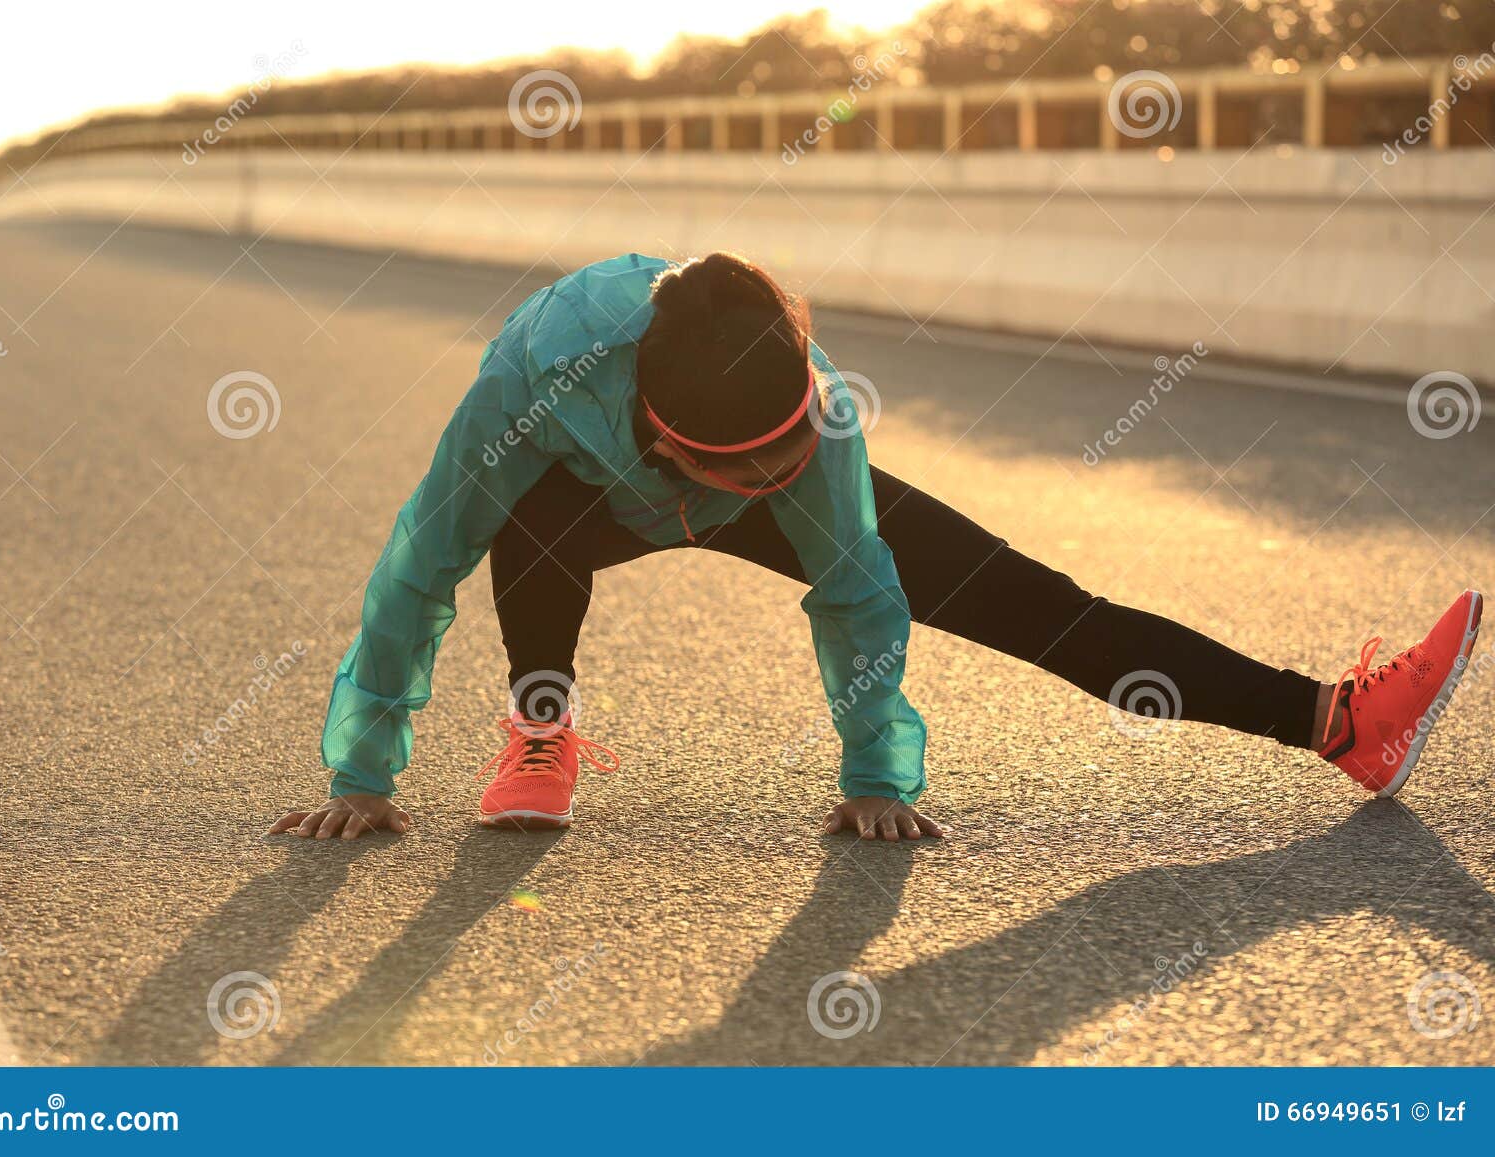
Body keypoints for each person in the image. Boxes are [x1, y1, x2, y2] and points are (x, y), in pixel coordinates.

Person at [271, 252, 1483, 843]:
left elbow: (858, 594)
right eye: (753, 466)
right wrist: (362, 771)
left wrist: (874, 772)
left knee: (1029, 598)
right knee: (517, 528)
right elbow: (415, 566)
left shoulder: (812, 426)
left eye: (796, 441)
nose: (785, 473)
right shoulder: (530, 384)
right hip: (579, 493)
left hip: (724, 454)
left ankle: (1333, 719)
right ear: (666, 437)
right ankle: (543, 730)